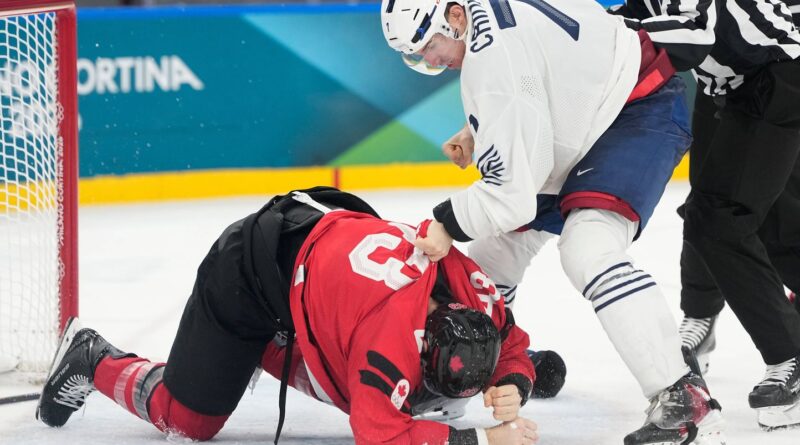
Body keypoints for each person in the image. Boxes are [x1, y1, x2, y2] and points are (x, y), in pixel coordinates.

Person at [380, 1, 725, 444]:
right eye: (416, 55)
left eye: (429, 44)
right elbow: (545, 68)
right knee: (490, 259)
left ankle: (683, 396)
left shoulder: (490, 59)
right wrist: (480, 133)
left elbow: (512, 196)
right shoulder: (485, 21)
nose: (429, 59)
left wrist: (445, 223)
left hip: (635, 110)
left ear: (454, 16)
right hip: (595, 112)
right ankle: (501, 361)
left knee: (589, 247)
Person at [36, 187, 541, 445]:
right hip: (249, 272)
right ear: (423, 342)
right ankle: (91, 356)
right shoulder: (388, 341)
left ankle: (262, 351)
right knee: (187, 420)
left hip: (321, 240)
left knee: (398, 396)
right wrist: (483, 439)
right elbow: (380, 433)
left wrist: (512, 378)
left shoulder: (478, 296)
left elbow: (511, 345)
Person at [608, 0, 800, 430]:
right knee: (719, 207)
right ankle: (701, 313)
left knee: (721, 218)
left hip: (777, 73)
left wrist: (611, 33)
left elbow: (693, 37)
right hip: (727, 82)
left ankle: (791, 355)